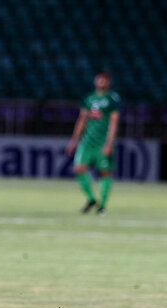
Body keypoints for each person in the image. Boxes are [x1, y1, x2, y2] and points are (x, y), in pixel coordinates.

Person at [65, 70, 121, 215]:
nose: (101, 82)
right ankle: (91, 199)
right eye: (99, 79)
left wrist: (109, 143)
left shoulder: (112, 99)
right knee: (79, 169)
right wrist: (74, 141)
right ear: (95, 81)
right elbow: (82, 120)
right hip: (87, 142)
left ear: (108, 82)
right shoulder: (88, 98)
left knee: (105, 173)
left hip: (102, 142)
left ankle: (102, 206)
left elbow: (114, 122)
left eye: (104, 80)